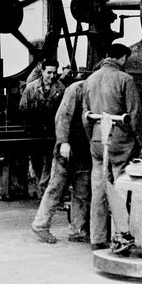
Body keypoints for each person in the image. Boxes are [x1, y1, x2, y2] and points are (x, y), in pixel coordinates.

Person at [82, 43, 142, 250]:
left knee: (99, 189)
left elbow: (85, 116)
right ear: (122, 59)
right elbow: (135, 114)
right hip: (119, 142)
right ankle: (120, 237)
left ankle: (97, 238)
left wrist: (92, 137)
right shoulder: (125, 79)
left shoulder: (90, 79)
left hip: (97, 140)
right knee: (120, 188)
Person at [31, 70, 91, 244]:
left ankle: (77, 230)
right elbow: (63, 117)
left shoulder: (95, 89)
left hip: (85, 151)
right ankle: (40, 225)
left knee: (82, 192)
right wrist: (63, 141)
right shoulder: (76, 89)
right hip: (69, 149)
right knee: (56, 188)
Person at [19, 58, 65, 198]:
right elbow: (23, 108)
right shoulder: (31, 88)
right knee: (36, 160)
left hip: (52, 131)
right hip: (35, 130)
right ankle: (41, 186)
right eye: (49, 72)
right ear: (42, 71)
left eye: (54, 73)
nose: (52, 76)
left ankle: (44, 189)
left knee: (49, 159)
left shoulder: (61, 88)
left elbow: (63, 111)